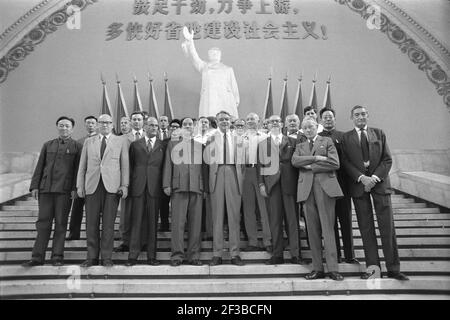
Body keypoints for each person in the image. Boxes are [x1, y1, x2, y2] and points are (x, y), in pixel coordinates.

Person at [341, 105, 408, 280]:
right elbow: (345, 162)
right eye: (357, 115)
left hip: (380, 185)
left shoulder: (379, 133)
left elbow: (387, 159)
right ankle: (374, 269)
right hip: (359, 186)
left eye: (363, 114)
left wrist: (374, 178)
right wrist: (362, 178)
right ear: (352, 118)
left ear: (368, 116)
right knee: (365, 228)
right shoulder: (346, 138)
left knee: (387, 228)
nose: (360, 117)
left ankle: (393, 268)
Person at [22, 116, 82, 267]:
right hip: (46, 189)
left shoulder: (77, 146)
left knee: (61, 224)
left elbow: (78, 170)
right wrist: (35, 186)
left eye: (67, 126)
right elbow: (40, 166)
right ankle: (37, 258)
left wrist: (75, 188)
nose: (64, 128)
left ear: (72, 129)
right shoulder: (48, 145)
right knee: (43, 223)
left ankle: (57, 257)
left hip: (65, 191)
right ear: (57, 127)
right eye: (61, 125)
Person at [292, 118, 344, 281]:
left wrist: (310, 166)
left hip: (325, 188)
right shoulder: (299, 145)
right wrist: (316, 159)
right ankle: (317, 268)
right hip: (306, 190)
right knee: (312, 231)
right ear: (302, 130)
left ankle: (333, 269)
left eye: (311, 127)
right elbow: (295, 161)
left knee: (328, 229)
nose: (308, 130)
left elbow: (334, 163)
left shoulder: (326, 141)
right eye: (305, 128)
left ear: (317, 127)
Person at [77, 114, 129, 267]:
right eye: (102, 122)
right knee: (91, 224)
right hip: (92, 186)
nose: (105, 125)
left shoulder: (121, 141)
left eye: (108, 122)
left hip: (112, 187)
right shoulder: (89, 141)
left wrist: (124, 185)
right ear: (98, 125)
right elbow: (82, 166)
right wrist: (80, 186)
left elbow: (125, 165)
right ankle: (91, 257)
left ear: (113, 125)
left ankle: (106, 257)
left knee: (108, 224)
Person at [257, 115, 303, 265]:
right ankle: (277, 254)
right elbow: (260, 165)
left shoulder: (292, 141)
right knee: (275, 221)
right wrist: (261, 185)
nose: (275, 123)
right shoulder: (263, 143)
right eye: (272, 121)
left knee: (292, 219)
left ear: (282, 124)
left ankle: (295, 253)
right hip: (272, 185)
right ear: (268, 125)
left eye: (277, 121)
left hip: (290, 184)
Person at [163, 118, 206, 266]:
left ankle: (194, 255)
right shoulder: (173, 144)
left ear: (194, 128)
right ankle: (177, 255)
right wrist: (166, 184)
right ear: (181, 128)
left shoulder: (201, 146)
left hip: (196, 187)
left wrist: (205, 187)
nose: (188, 127)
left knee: (196, 224)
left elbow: (204, 169)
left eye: (190, 125)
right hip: (178, 186)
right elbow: (168, 164)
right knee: (177, 223)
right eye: (185, 124)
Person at [126, 117, 168, 266]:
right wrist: (128, 186)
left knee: (152, 223)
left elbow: (165, 168)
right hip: (138, 187)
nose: (154, 127)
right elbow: (130, 167)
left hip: (154, 188)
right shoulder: (135, 145)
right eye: (151, 125)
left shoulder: (163, 145)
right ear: (145, 126)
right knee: (136, 221)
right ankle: (132, 256)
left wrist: (164, 186)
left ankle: (152, 256)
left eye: (156, 125)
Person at [205, 110, 245, 266]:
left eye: (227, 119)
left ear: (231, 121)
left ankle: (235, 253)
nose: (224, 122)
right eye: (221, 119)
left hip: (233, 173)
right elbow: (205, 162)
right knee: (217, 216)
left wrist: (240, 178)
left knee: (234, 215)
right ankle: (217, 254)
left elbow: (243, 163)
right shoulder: (210, 138)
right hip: (217, 174)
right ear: (216, 121)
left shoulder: (238, 138)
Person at [319, 108, 359, 264]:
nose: (328, 119)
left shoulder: (344, 136)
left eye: (331, 117)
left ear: (335, 119)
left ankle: (350, 255)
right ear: (321, 120)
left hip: (343, 185)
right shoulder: (317, 137)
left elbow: (350, 159)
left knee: (346, 220)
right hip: (326, 185)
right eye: (325, 117)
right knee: (331, 222)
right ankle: (336, 255)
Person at [182, 27, 240, 118]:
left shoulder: (228, 69)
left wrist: (236, 99)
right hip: (209, 100)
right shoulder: (204, 67)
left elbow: (234, 86)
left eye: (216, 53)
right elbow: (194, 57)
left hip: (225, 99)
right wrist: (191, 42)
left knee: (225, 119)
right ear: (209, 55)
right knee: (209, 120)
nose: (214, 54)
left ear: (220, 55)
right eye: (212, 53)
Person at [115, 111, 145, 253]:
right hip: (126, 180)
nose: (137, 122)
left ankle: (143, 240)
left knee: (143, 212)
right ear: (131, 121)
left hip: (144, 180)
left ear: (143, 121)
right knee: (126, 212)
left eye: (139, 119)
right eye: (134, 119)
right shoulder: (121, 138)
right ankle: (125, 241)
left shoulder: (150, 136)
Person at [242, 113, 272, 253]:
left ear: (258, 121)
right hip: (246, 172)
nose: (250, 121)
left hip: (260, 172)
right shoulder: (240, 137)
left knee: (264, 208)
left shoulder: (265, 136)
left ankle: (268, 240)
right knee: (248, 209)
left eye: (252, 119)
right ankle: (252, 241)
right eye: (247, 119)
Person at [67, 115, 98, 241]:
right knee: (76, 209)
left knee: (94, 211)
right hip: (81, 180)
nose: (90, 125)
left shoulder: (100, 140)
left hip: (95, 180)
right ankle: (74, 233)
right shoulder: (79, 142)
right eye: (88, 123)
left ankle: (93, 236)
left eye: (92, 123)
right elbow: (75, 164)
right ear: (85, 125)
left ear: (96, 125)